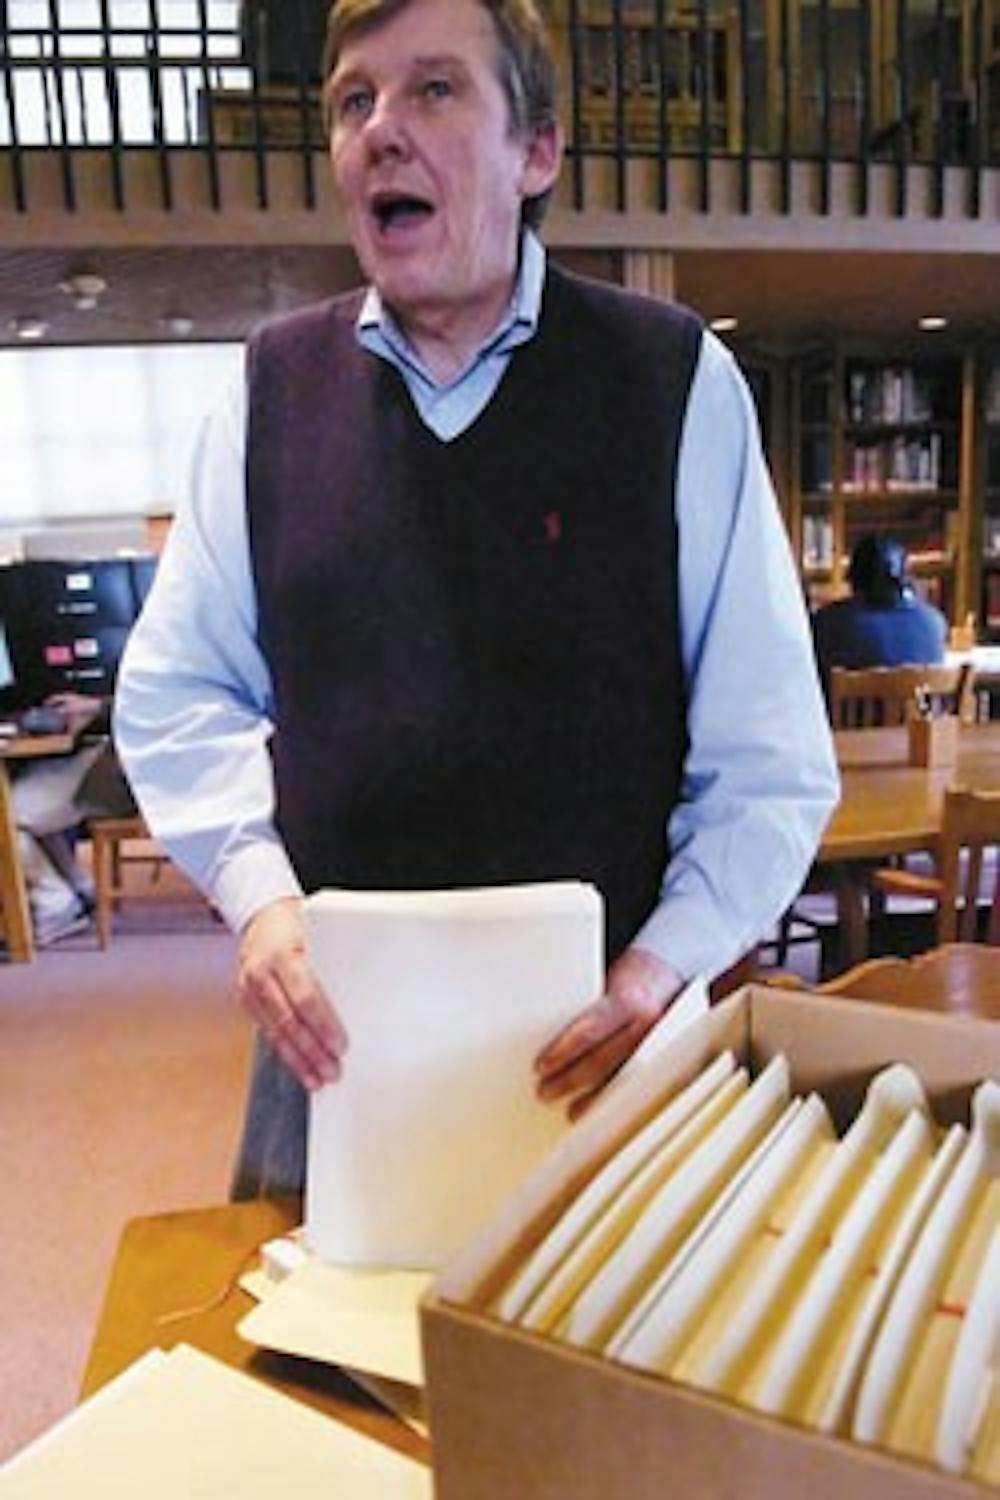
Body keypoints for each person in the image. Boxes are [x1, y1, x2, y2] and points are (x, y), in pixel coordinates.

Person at [115, 0, 838, 1199]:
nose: (381, 130)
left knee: (588, 1373)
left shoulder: (671, 385)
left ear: (536, 151)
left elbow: (767, 758)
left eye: (434, 90)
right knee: (305, 1372)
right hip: (334, 1049)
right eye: (355, 100)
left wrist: (660, 971)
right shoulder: (267, 395)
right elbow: (178, 690)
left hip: (604, 1042)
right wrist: (256, 903)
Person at [12, 692, 137, 946]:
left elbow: (153, 702)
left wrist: (93, 707)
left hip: (120, 773)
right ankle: (79, 887)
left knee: (8, 813)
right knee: (30, 787)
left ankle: (55, 902)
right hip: (106, 754)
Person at [811, 533, 948, 700]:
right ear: (905, 578)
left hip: (852, 725)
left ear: (854, 579)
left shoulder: (828, 621)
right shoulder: (935, 622)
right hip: (917, 724)